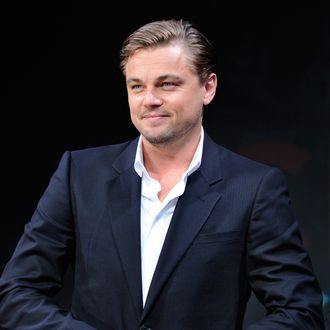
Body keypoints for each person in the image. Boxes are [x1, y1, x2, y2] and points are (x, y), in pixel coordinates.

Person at [0, 19, 325, 330]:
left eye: (167, 84)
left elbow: (300, 312)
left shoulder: (254, 188)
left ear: (208, 87)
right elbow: (16, 294)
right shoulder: (79, 174)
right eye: (137, 86)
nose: (150, 100)